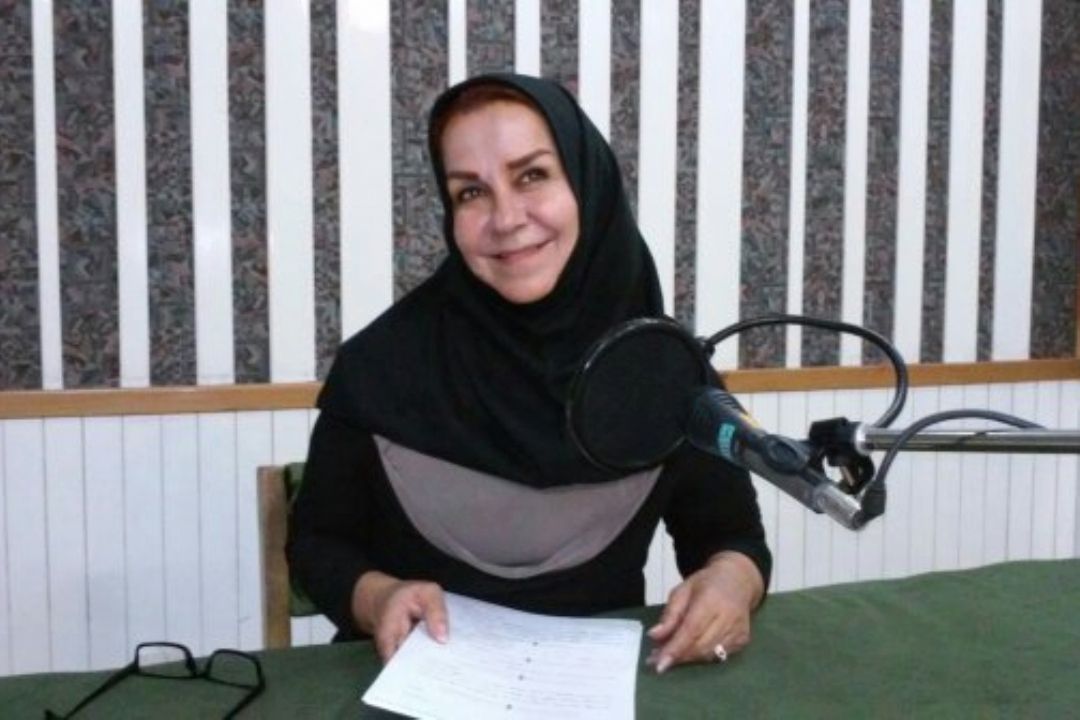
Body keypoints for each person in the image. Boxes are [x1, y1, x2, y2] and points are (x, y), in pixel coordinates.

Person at [287, 73, 771, 674]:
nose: (505, 218)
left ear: (587, 183)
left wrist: (731, 583)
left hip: (597, 690)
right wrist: (376, 597)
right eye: (470, 192)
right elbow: (316, 544)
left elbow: (731, 536)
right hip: (406, 685)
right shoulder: (379, 367)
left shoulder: (661, 368)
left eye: (532, 175)